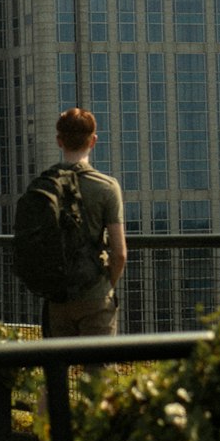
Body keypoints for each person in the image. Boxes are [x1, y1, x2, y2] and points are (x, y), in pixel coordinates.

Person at [44, 106, 126, 337]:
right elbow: (119, 253)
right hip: (95, 292)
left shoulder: (46, 184)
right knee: (100, 370)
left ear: (59, 141)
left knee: (58, 368)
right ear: (93, 141)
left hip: (57, 295)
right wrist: (106, 285)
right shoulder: (106, 187)